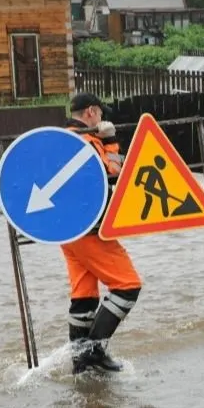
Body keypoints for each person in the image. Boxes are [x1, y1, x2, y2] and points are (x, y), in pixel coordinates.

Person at [62, 93, 143, 374]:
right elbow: (113, 175)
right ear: (91, 112)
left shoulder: (62, 140)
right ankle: (94, 351)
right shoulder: (87, 141)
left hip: (67, 231)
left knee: (84, 297)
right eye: (100, 114)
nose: (103, 119)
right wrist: (110, 140)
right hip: (91, 230)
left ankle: (80, 365)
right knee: (128, 285)